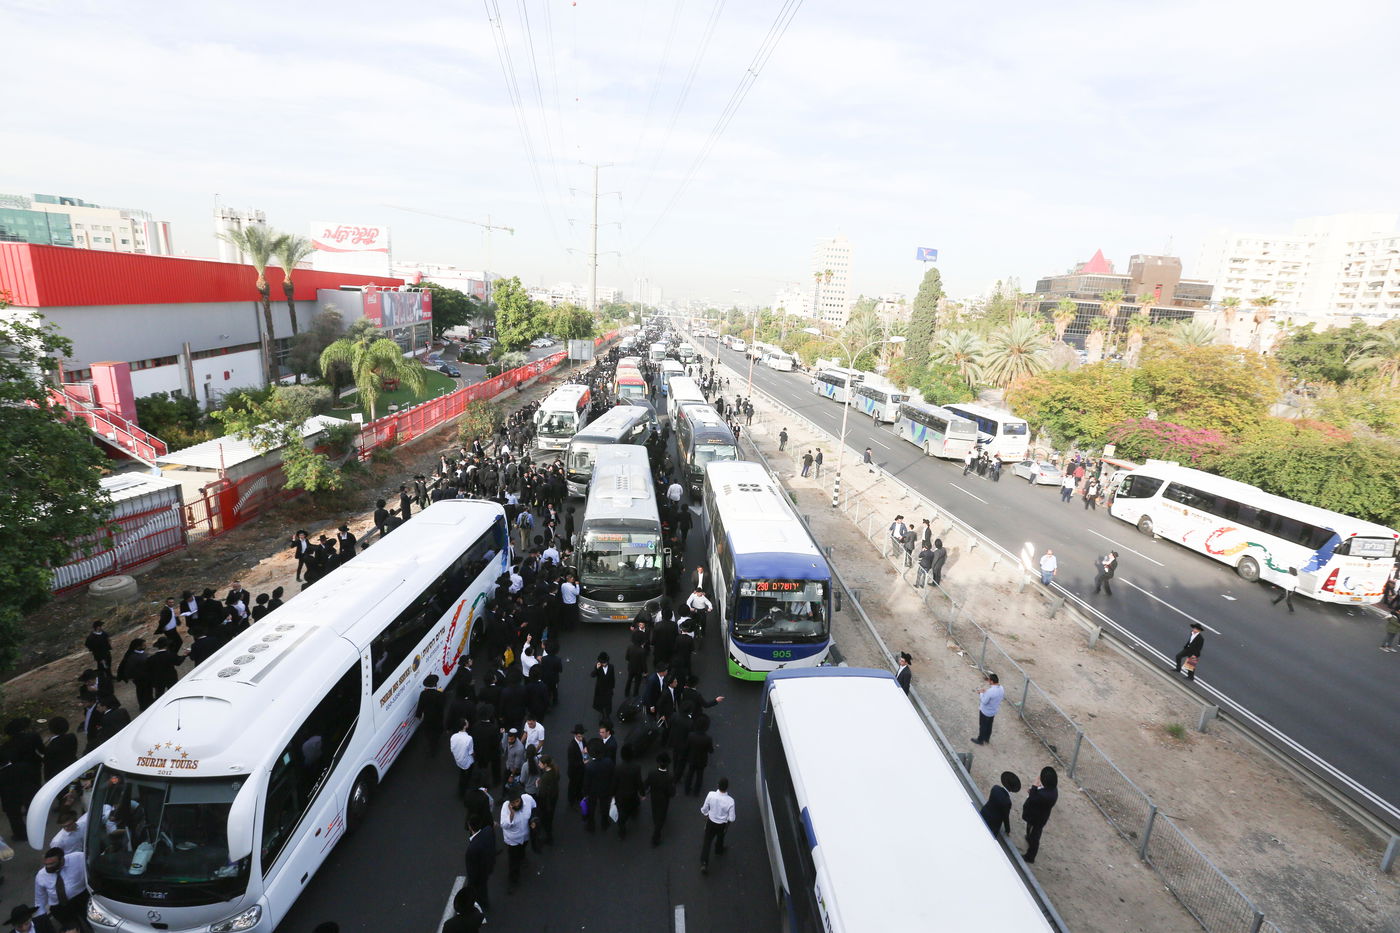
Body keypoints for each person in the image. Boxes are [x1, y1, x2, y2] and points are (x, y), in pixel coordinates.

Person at [34, 847, 87, 927]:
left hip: (81, 898)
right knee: (73, 929)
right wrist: (41, 919)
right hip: (60, 907)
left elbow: (94, 864)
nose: (48, 867)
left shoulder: (79, 858)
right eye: (46, 864)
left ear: (62, 860)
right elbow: (40, 899)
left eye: (52, 864)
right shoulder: (41, 876)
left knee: (94, 922)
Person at [498, 787, 538, 892]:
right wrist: (511, 814)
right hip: (513, 841)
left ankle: (522, 857)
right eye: (513, 803)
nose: (515, 804)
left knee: (523, 849)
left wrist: (534, 820)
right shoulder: (505, 807)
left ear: (521, 798)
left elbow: (534, 807)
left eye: (517, 801)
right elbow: (504, 825)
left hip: (525, 837)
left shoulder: (528, 799)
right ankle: (513, 880)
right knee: (513, 861)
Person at [698, 777, 736, 874]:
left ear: (718, 785)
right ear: (727, 787)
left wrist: (706, 816)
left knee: (707, 842)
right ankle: (718, 850)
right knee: (720, 837)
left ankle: (704, 863)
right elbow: (731, 818)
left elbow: (704, 809)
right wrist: (726, 825)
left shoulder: (711, 795)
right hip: (722, 825)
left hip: (711, 822)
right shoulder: (730, 801)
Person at [1022, 766, 1059, 863]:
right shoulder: (1052, 790)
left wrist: (1034, 786)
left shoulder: (1045, 795)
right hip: (1040, 816)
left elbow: (1033, 799)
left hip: (1037, 818)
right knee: (1032, 831)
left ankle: (1030, 857)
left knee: (1035, 837)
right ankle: (1029, 838)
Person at [642, 751, 677, 847]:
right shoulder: (669, 777)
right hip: (664, 800)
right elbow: (672, 793)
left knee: (655, 811)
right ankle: (655, 837)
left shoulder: (652, 773)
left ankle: (655, 821)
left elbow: (645, 784)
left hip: (654, 797)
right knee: (661, 817)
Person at [464, 815, 497, 914]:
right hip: (488, 866)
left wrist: (470, 884)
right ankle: (484, 902)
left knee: (479, 890)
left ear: (470, 827)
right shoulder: (488, 830)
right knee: (483, 888)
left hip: (479, 874)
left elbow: (472, 871)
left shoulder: (472, 849)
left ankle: (482, 905)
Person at [979, 771, 1022, 835]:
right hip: (993, 824)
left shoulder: (995, 788)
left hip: (984, 813)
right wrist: (1008, 830)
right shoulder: (1007, 802)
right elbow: (1005, 817)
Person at [416, 675, 446, 758]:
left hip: (428, 719)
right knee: (436, 733)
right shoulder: (440, 694)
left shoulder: (423, 694)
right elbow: (442, 706)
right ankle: (435, 744)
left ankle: (431, 746)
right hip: (438, 718)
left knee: (429, 734)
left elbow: (420, 706)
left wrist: (418, 715)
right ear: (435, 684)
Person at [970, 673, 1003, 746]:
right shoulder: (1001, 688)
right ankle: (987, 738)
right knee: (989, 725)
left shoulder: (990, 692)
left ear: (991, 681)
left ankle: (980, 740)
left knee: (983, 726)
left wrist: (981, 693)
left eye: (989, 680)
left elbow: (984, 701)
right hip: (993, 711)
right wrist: (986, 693)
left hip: (985, 712)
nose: (988, 681)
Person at [450, 719, 476, 799]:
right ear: (465, 726)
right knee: (467, 776)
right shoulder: (469, 738)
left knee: (462, 774)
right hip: (467, 761)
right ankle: (465, 790)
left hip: (458, 760)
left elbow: (452, 749)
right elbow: (471, 752)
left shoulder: (453, 737)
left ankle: (461, 792)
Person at [591, 652, 616, 722]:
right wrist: (596, 668)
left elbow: (612, 678)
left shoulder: (611, 667)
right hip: (600, 689)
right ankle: (602, 714)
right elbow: (592, 675)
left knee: (608, 703)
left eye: (605, 662)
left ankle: (607, 715)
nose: (604, 664)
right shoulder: (598, 666)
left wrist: (612, 687)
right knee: (601, 702)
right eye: (603, 663)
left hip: (608, 689)